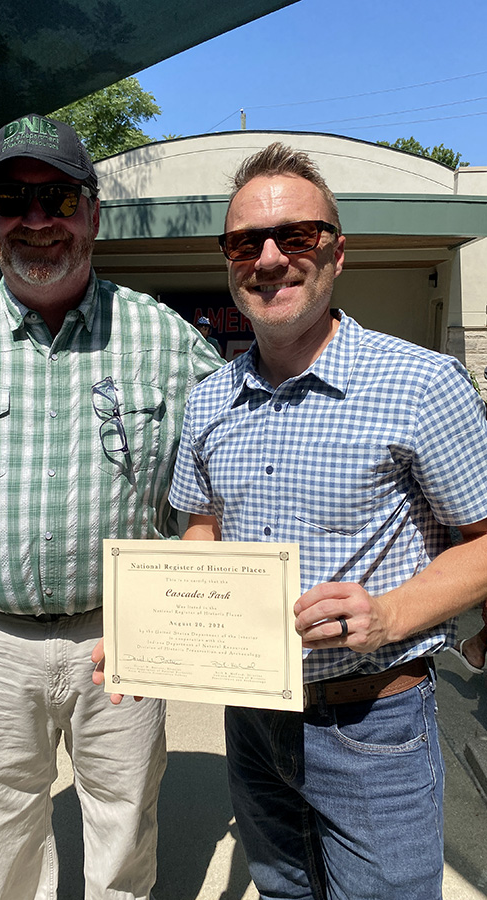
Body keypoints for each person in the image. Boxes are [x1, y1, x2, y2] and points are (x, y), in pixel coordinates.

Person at [0, 112, 222, 900]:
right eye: (12, 198)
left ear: (92, 212)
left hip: (123, 636)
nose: (36, 221)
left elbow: (244, 460)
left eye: (57, 198)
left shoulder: (164, 339)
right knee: (1, 821)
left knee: (124, 819)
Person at [167, 143, 487, 900]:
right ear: (228, 260)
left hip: (373, 723)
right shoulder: (207, 402)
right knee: (282, 893)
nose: (270, 258)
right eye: (246, 242)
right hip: (250, 719)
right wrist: (165, 637)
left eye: (297, 237)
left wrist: (386, 614)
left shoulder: (420, 384)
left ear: (336, 253)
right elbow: (200, 531)